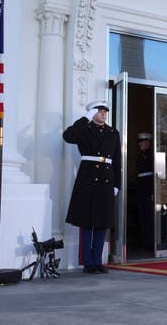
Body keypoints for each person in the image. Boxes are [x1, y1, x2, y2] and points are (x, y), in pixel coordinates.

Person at [63, 99, 122, 274]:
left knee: (102, 223)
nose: (103, 113)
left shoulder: (113, 133)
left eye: (105, 111)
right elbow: (68, 136)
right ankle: (88, 262)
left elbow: (117, 160)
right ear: (92, 112)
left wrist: (117, 184)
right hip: (87, 178)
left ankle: (97, 261)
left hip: (106, 179)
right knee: (87, 222)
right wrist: (84, 118)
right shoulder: (84, 129)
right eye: (99, 110)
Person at [135, 132, 154, 250]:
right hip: (141, 188)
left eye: (142, 142)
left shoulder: (151, 155)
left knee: (148, 216)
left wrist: (152, 191)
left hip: (148, 188)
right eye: (140, 142)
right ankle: (145, 240)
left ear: (147, 142)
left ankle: (149, 242)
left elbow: (153, 174)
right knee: (142, 216)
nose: (140, 144)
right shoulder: (141, 155)